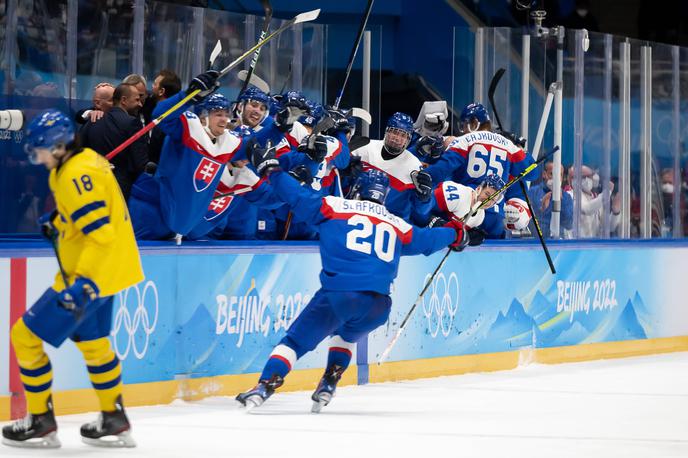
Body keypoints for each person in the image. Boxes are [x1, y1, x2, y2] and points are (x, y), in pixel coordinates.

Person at [235, 144, 469, 412]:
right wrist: (458, 234)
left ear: (357, 188)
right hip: (379, 306)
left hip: (340, 294)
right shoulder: (395, 223)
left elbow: (296, 196)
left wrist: (272, 170)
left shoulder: (335, 205)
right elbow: (427, 240)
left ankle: (265, 385)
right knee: (346, 336)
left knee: (295, 342)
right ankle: (329, 383)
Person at [2, 110, 143, 448]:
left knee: (24, 337)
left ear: (60, 146)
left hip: (88, 276)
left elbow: (101, 233)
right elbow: (95, 215)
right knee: (94, 344)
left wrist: (84, 284)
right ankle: (115, 418)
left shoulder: (73, 174)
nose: (38, 157)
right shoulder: (84, 161)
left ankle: (40, 422)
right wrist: (62, 222)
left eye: (41, 150)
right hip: (110, 273)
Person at [424, 103, 537, 238]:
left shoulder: (465, 140)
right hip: (495, 217)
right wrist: (519, 147)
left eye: (464, 125)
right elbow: (532, 173)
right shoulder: (508, 146)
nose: (463, 130)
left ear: (474, 123)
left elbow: (440, 171)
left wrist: (425, 174)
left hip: (465, 211)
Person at [349, 112, 433, 224]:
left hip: (394, 224)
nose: (397, 138)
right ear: (387, 131)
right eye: (394, 132)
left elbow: (421, 212)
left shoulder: (414, 166)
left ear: (409, 139)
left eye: (403, 135)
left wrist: (425, 199)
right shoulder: (363, 148)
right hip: (358, 215)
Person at [79, 83, 148, 200]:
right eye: (137, 100)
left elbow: (79, 154)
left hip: (91, 187)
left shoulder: (91, 122)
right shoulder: (132, 123)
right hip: (119, 190)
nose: (140, 104)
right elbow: (139, 164)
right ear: (124, 100)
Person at [528, 161, 574, 238]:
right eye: (552, 174)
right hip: (538, 241)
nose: (556, 178)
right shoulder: (533, 192)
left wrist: (561, 200)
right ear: (544, 174)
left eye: (560, 175)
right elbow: (528, 221)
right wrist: (542, 209)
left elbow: (569, 224)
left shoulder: (567, 197)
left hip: (559, 242)